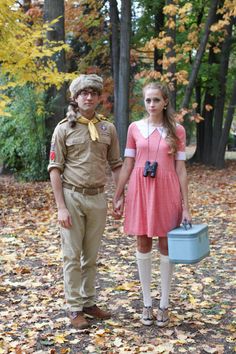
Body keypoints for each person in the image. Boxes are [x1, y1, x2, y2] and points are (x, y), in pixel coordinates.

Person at [113, 81, 191, 327]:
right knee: (142, 240)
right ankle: (147, 302)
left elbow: (181, 168)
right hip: (140, 188)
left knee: (167, 243)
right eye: (148, 100)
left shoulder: (177, 130)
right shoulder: (135, 128)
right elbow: (127, 163)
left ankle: (164, 304)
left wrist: (186, 206)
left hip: (167, 189)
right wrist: (118, 193)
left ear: (165, 101)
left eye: (156, 100)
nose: (152, 104)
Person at [48, 74, 122, 329]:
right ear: (75, 98)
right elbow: (55, 168)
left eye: (93, 93)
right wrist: (60, 207)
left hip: (97, 197)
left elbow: (116, 165)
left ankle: (89, 302)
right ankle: (74, 308)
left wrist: (118, 195)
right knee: (72, 255)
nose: (88, 97)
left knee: (91, 256)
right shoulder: (63, 128)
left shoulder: (107, 128)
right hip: (72, 197)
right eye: (83, 93)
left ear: (99, 97)